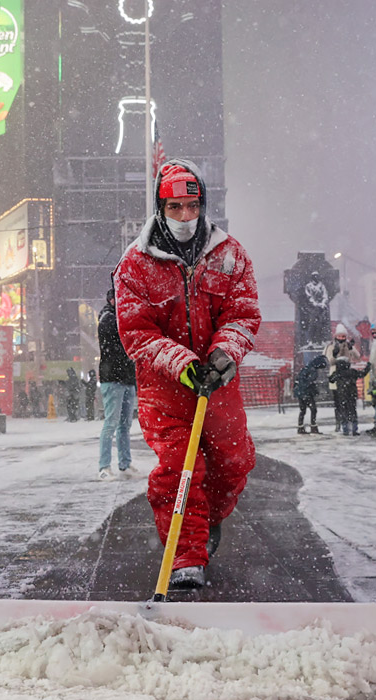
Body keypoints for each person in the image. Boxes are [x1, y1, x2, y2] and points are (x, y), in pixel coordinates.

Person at [115, 159, 261, 589]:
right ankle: (185, 555)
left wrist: (223, 354)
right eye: (175, 207)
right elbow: (136, 331)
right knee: (182, 469)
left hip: (218, 384)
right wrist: (181, 365)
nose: (184, 217)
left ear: (203, 206)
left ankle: (206, 521)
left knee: (233, 464)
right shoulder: (135, 264)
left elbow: (243, 312)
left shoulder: (230, 254)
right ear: (160, 207)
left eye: (191, 207)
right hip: (165, 389)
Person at [97, 288, 138, 480]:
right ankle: (104, 466)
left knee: (124, 424)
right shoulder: (107, 318)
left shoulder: (120, 318)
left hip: (127, 377)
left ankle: (125, 463)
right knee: (111, 423)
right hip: (113, 377)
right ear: (112, 300)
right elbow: (120, 335)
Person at [323, 324, 357, 431]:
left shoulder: (348, 346)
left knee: (349, 403)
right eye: (340, 336)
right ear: (335, 336)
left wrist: (351, 349)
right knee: (338, 403)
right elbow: (329, 361)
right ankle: (339, 423)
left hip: (347, 378)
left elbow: (357, 357)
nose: (342, 339)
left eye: (344, 336)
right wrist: (335, 354)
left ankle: (348, 423)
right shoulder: (331, 346)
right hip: (336, 377)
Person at [330, 357, 369, 436]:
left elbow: (331, 380)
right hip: (352, 395)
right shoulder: (352, 372)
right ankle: (354, 429)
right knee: (352, 411)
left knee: (344, 412)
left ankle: (345, 429)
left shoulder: (337, 373)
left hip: (341, 395)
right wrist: (368, 367)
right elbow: (362, 374)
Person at [294, 355, 328, 434]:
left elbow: (300, 380)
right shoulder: (313, 371)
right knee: (313, 409)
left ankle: (300, 427)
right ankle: (313, 427)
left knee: (302, 410)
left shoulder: (307, 367)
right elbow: (309, 382)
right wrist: (314, 391)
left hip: (300, 392)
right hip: (306, 393)